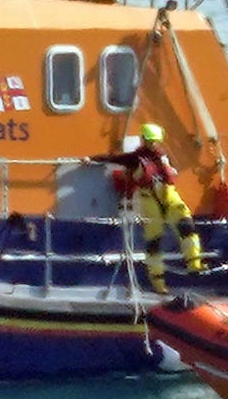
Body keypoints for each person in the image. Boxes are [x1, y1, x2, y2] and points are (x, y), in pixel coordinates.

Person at [88, 123, 206, 294]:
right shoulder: (136, 158)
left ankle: (194, 264)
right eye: (150, 141)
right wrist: (92, 159)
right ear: (144, 140)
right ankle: (158, 283)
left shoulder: (163, 156)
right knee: (154, 240)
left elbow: (170, 174)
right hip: (148, 198)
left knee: (186, 226)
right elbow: (114, 159)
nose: (153, 144)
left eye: (156, 141)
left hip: (168, 194)